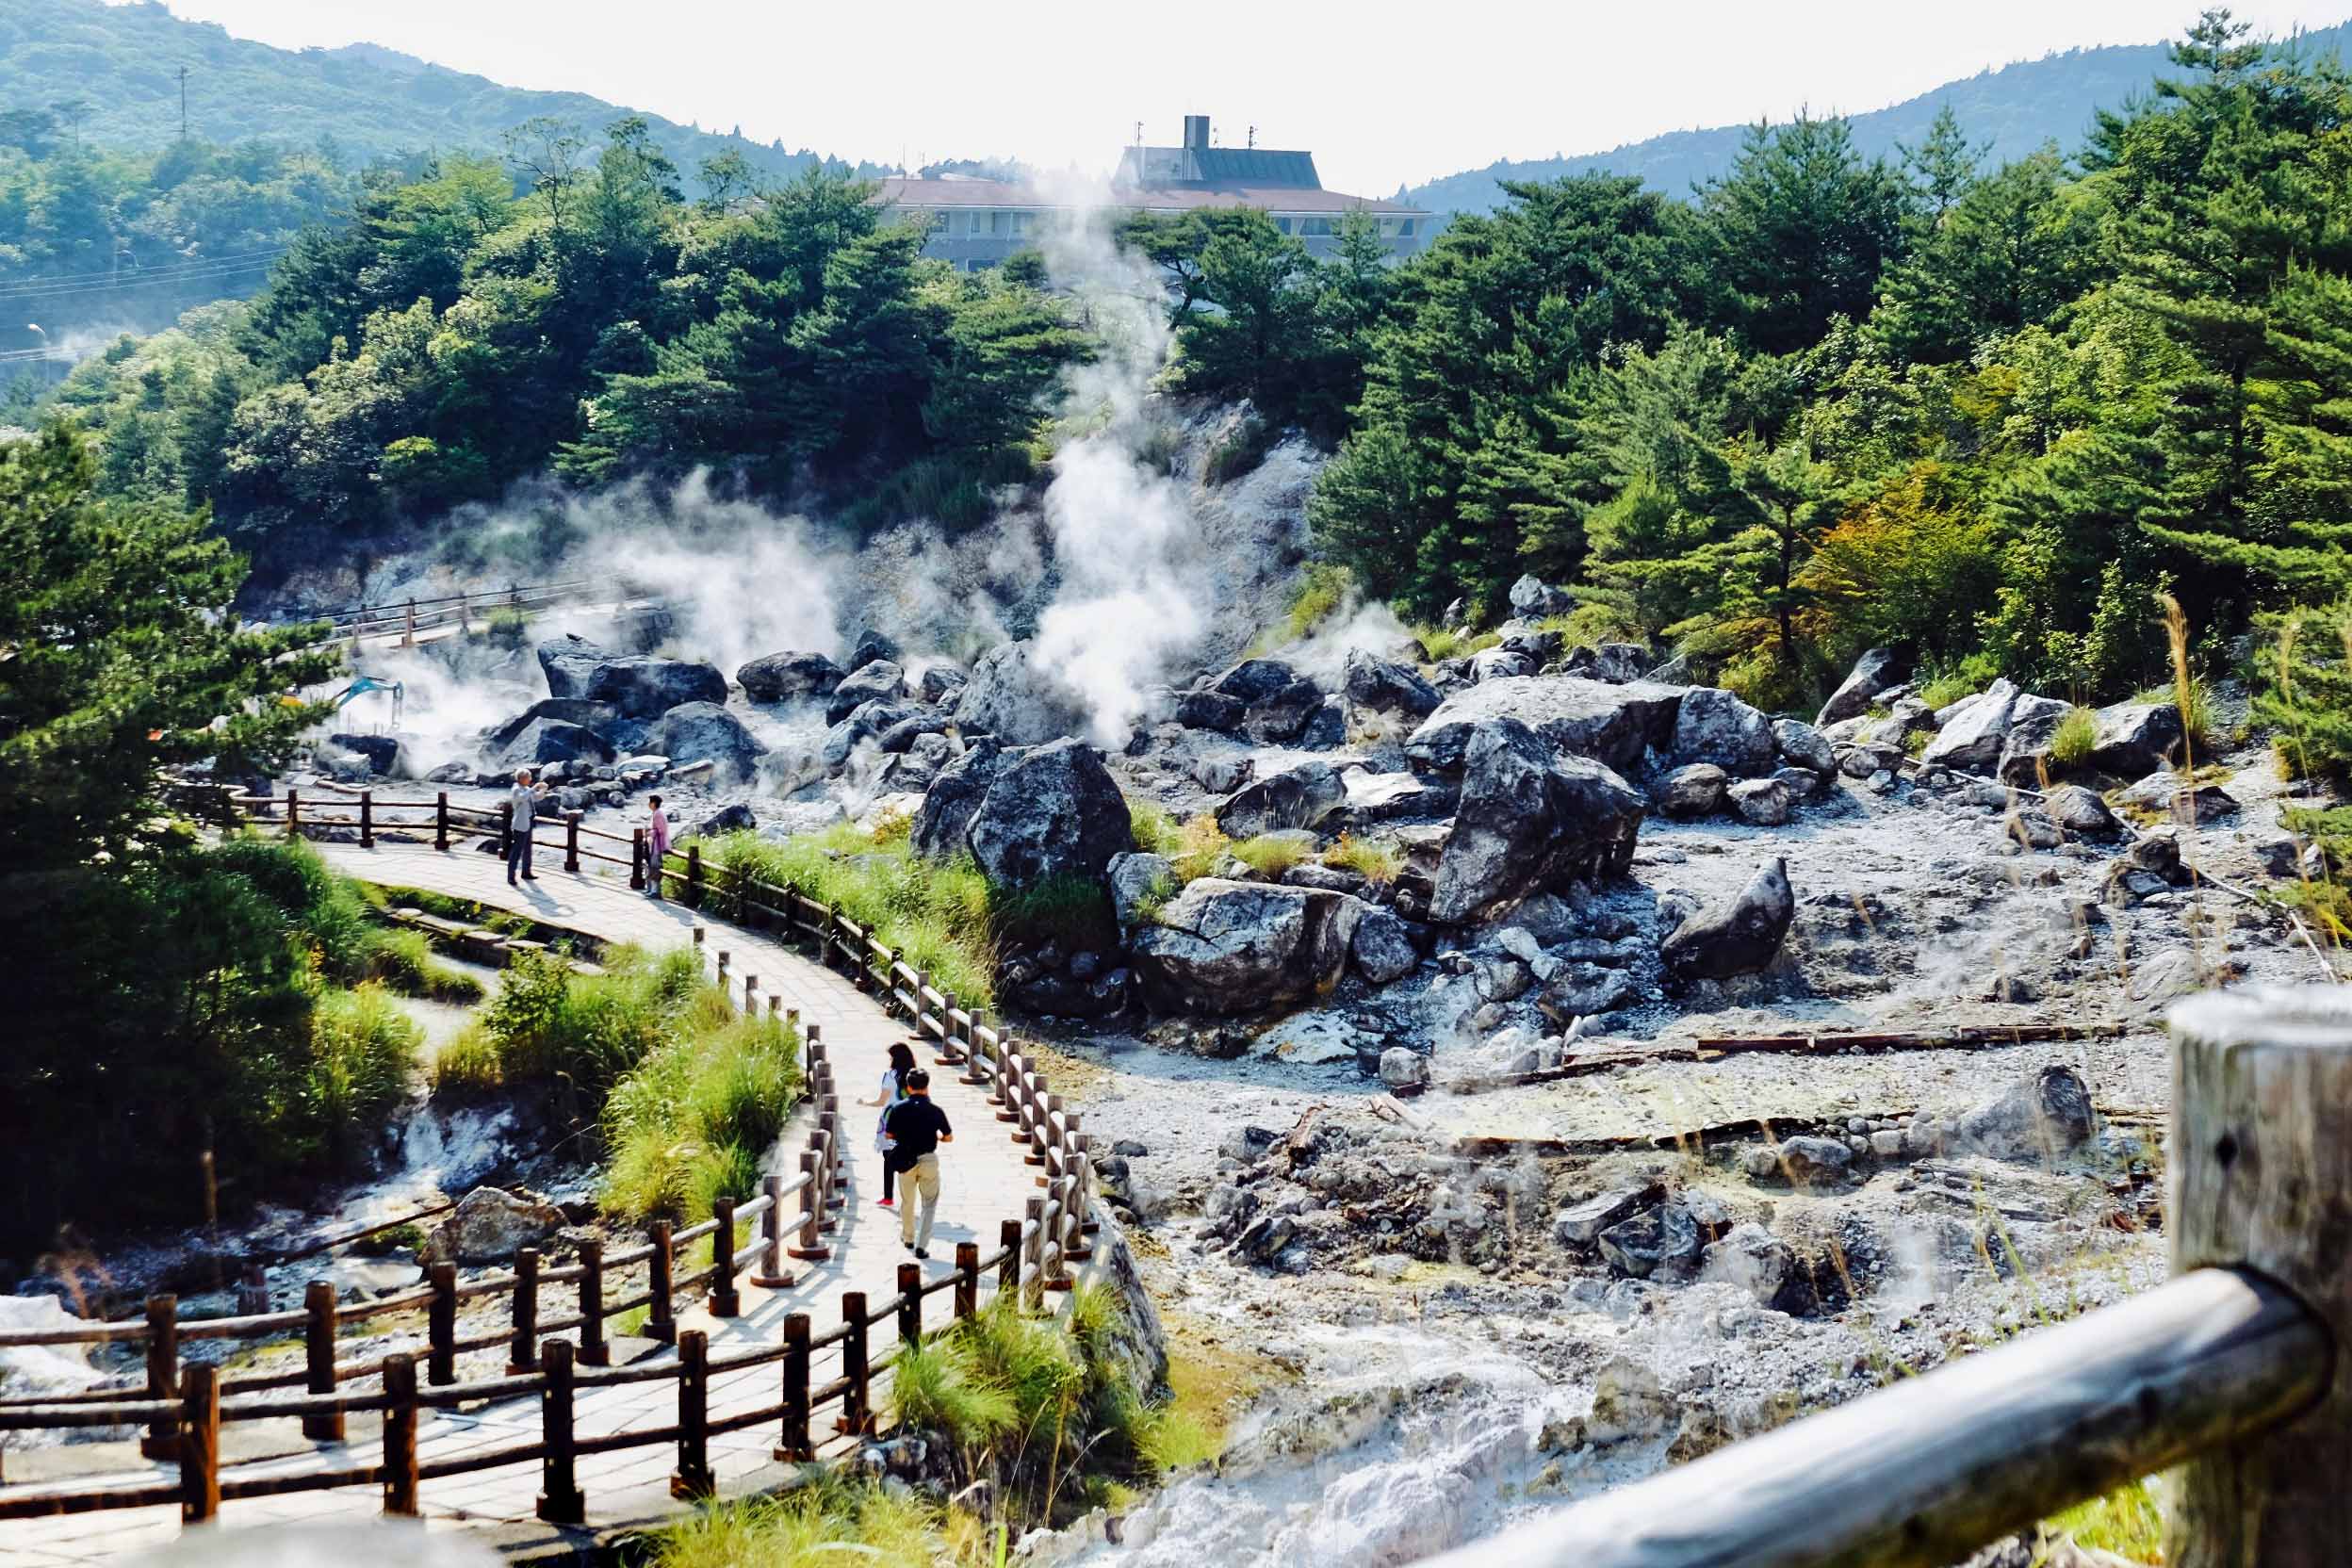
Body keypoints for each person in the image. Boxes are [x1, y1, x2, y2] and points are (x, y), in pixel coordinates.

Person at [882, 1069, 953, 1260]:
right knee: (929, 1204)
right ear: (927, 1086)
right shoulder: (936, 1110)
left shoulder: (897, 1108)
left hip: (906, 1159)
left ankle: (908, 1238)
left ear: (908, 1086)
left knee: (907, 1201)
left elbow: (888, 1134)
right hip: (928, 1159)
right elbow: (948, 1137)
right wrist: (938, 1137)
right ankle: (922, 1246)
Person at [861, 1041, 918, 1207]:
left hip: (891, 1119)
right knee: (908, 1157)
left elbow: (881, 1101)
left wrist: (865, 1102)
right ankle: (908, 1198)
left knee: (889, 1157)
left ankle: (888, 1197)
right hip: (910, 1120)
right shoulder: (915, 1075)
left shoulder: (890, 1075)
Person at [506, 770, 547, 886]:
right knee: (517, 850)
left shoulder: (526, 788)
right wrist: (534, 787)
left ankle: (526, 872)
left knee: (527, 849)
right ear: (521, 778)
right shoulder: (516, 789)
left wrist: (543, 789)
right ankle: (511, 876)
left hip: (529, 821)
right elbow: (523, 798)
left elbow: (536, 797)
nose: (530, 779)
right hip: (521, 823)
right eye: (529, 777)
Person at [645, 793, 672, 900]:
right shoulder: (658, 813)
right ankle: (652, 890)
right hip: (656, 844)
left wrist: (649, 833)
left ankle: (655, 891)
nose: (648, 804)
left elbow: (661, 830)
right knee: (653, 866)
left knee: (655, 867)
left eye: (650, 802)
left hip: (657, 845)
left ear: (653, 803)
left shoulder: (658, 814)